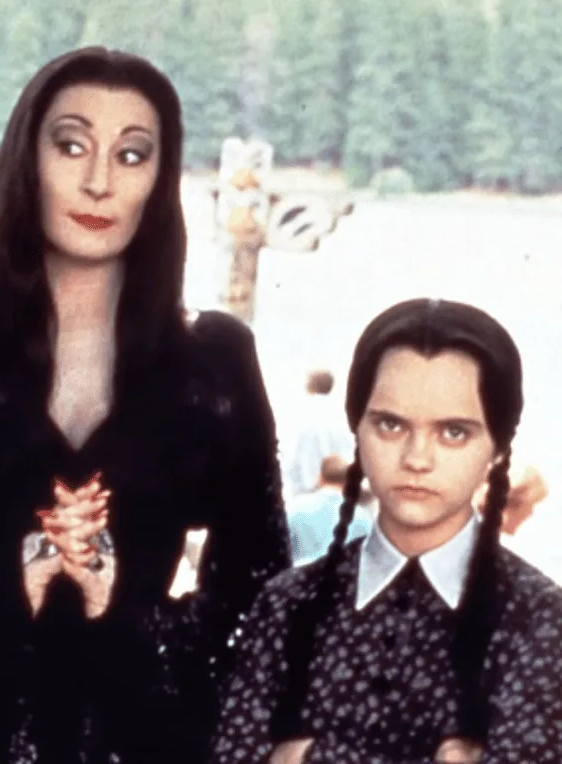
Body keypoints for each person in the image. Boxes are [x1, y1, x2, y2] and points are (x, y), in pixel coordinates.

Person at [0, 48, 290, 764]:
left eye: (131, 155)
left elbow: (259, 594)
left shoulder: (217, 360)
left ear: (160, 177)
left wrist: (125, 615)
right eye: (71, 146)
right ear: (26, 158)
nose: (99, 182)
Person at [213, 298, 562, 764]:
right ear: (356, 427)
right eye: (391, 425)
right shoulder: (288, 604)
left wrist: (310, 756)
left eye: (453, 432)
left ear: (498, 447)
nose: (417, 458)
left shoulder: (539, 619)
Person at [286, 454, 373, 565]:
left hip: (299, 573)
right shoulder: (364, 518)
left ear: (320, 478)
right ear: (347, 482)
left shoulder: (294, 508)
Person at [280, 370, 354, 500]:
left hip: (305, 492)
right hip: (339, 489)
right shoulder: (342, 413)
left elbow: (289, 455)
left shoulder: (298, 413)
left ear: (309, 386)